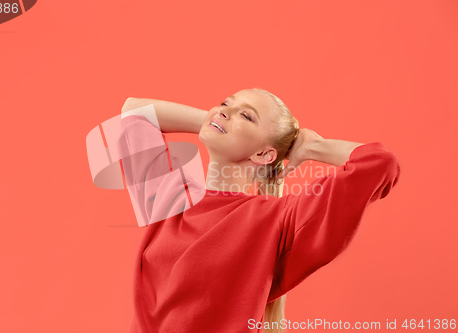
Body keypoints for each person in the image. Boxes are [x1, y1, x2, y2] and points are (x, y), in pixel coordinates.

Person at [120, 88, 401, 333]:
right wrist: (216, 120)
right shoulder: (171, 198)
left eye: (247, 115)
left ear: (264, 155)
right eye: (226, 103)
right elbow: (134, 111)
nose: (224, 111)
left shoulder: (278, 220)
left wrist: (313, 147)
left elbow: (379, 164)